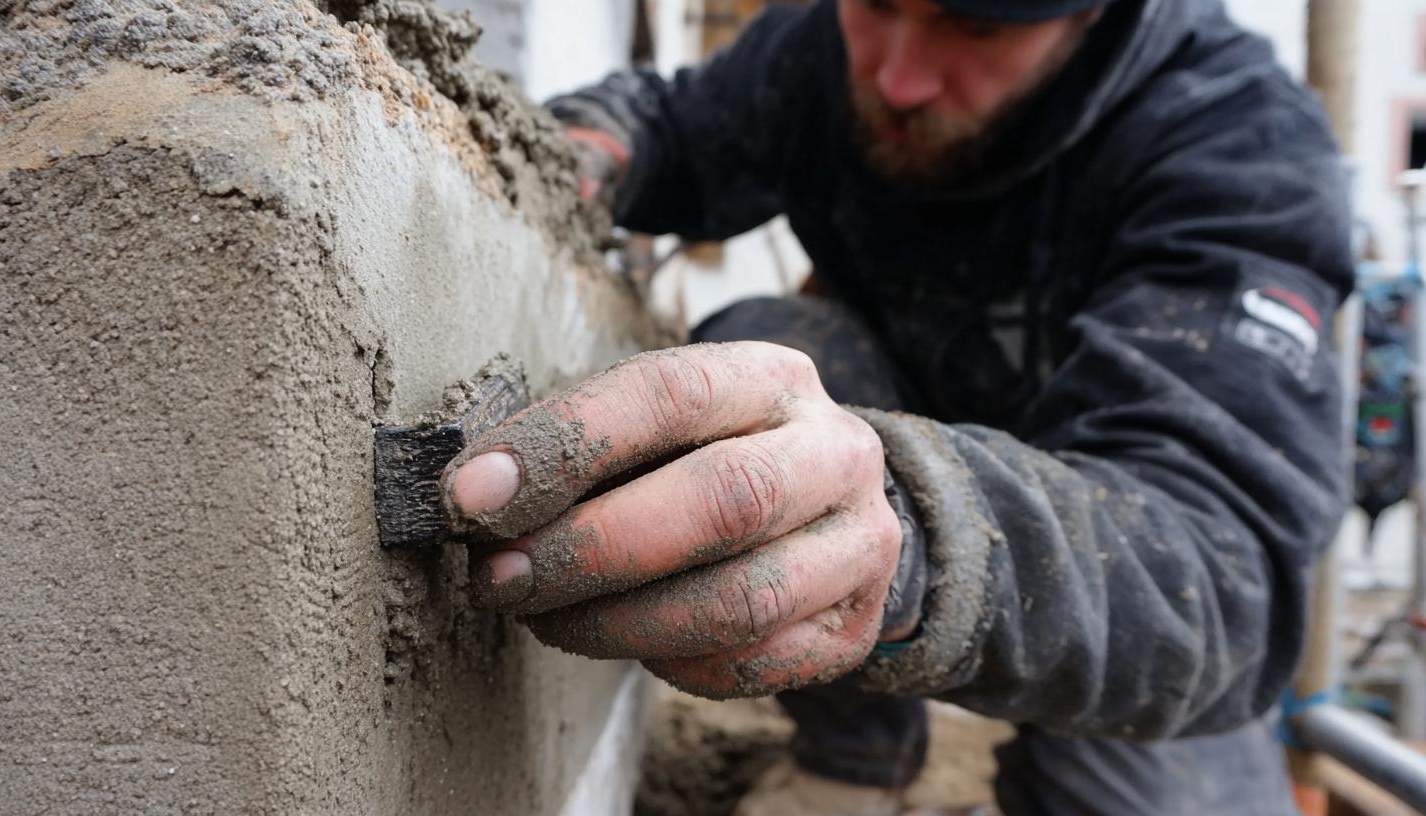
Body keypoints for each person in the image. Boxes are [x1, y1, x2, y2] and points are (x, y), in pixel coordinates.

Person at [441, 0, 1353, 812]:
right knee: (773, 345)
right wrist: (578, 153)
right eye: (876, 4)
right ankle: (853, 766)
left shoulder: (1237, 143)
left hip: (1103, 553)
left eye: (978, 25)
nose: (897, 75)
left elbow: (1217, 578)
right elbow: (678, 127)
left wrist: (913, 538)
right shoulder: (819, 53)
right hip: (879, 430)